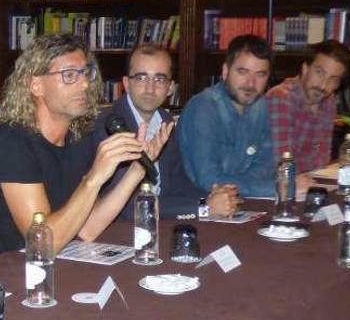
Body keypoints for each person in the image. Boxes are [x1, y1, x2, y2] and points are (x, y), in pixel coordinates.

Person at [0, 34, 170, 266]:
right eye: (69, 75)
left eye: (85, 73)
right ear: (36, 85)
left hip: (29, 273)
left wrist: (136, 170)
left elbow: (87, 229)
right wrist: (93, 178)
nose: (84, 84)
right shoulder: (11, 144)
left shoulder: (77, 138)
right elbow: (42, 244)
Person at [87, 44, 242, 219]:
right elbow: (129, 207)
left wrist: (210, 197)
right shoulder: (110, 125)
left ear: (170, 88)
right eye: (141, 78)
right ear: (126, 84)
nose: (150, 88)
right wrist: (204, 207)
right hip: (121, 229)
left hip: (159, 220)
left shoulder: (165, 120)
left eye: (159, 79)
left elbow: (179, 183)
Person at [177, 34, 275, 198]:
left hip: (242, 203)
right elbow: (209, 180)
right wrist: (276, 188)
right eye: (243, 72)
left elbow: (265, 167)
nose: (251, 84)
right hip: (200, 207)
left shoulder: (261, 106)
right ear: (225, 71)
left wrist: (248, 187)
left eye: (260, 74)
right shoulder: (203, 108)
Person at [266, 40, 350, 197]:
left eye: (333, 79)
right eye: (319, 72)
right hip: (279, 188)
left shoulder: (328, 100)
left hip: (310, 181)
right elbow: (282, 162)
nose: (323, 85)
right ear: (305, 69)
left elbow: (322, 158)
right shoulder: (280, 98)